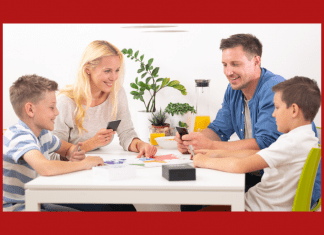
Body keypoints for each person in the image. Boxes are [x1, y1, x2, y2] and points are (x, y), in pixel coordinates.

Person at [175, 34, 320, 210]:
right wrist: (195, 141)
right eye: (225, 65)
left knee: (195, 199)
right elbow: (218, 128)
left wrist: (211, 150)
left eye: (235, 64)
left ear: (256, 61)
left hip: (267, 184)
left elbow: (263, 146)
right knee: (192, 194)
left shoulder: (277, 91)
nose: (228, 72)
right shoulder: (234, 89)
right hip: (262, 176)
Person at [51, 40, 179, 211]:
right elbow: (52, 154)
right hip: (69, 179)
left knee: (128, 211)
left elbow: (126, 132)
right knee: (108, 211)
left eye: (117, 70)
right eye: (107, 71)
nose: (114, 77)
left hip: (96, 172)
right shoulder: (65, 103)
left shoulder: (116, 93)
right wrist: (91, 144)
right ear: (87, 69)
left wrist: (140, 145)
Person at [193, 76, 321, 211]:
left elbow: (240, 166)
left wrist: (203, 161)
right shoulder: (306, 138)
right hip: (257, 205)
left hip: (255, 209)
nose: (273, 114)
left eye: (277, 107)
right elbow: (258, 154)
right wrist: (215, 154)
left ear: (294, 110)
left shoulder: (292, 142)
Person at [3, 75, 104, 212]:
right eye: (52, 107)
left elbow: (67, 149)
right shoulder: (19, 136)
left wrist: (74, 153)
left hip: (37, 201)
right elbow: (45, 168)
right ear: (30, 110)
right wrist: (82, 164)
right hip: (18, 209)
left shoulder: (42, 134)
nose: (57, 112)